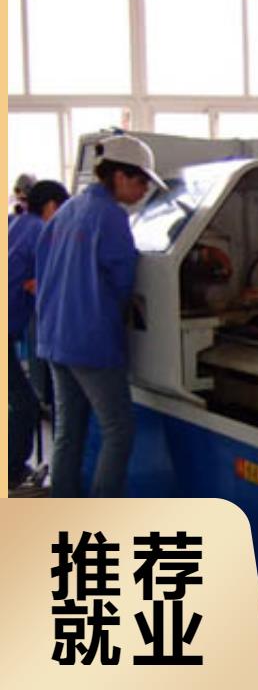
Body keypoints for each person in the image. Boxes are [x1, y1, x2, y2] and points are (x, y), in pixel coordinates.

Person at [36, 134, 167, 497]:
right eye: (141, 181)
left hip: (55, 338)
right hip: (90, 343)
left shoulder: (68, 210)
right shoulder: (111, 217)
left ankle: (64, 506)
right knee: (119, 431)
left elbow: (44, 268)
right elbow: (124, 281)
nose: (144, 190)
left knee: (68, 430)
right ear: (119, 176)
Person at [8, 180, 70, 490]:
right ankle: (12, 473)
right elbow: (58, 279)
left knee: (20, 401)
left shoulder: (19, 224)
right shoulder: (40, 232)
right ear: (51, 206)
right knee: (25, 404)